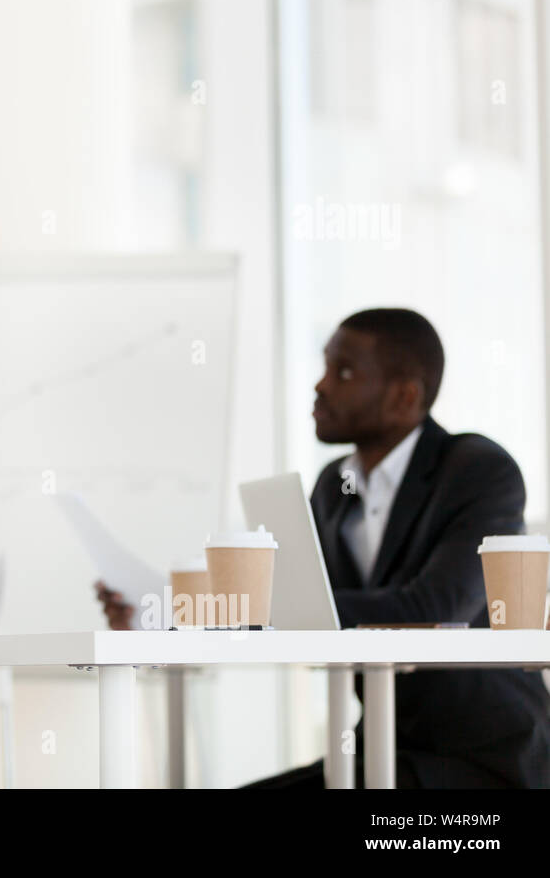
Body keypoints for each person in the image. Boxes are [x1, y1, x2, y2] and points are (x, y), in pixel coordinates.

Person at [99, 307, 550, 787]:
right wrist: (171, 613)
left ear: (404, 396)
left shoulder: (477, 470)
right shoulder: (336, 487)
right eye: (325, 367)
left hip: (484, 757)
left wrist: (253, 606)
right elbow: (301, 612)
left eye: (345, 371)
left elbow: (434, 608)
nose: (320, 386)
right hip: (385, 747)